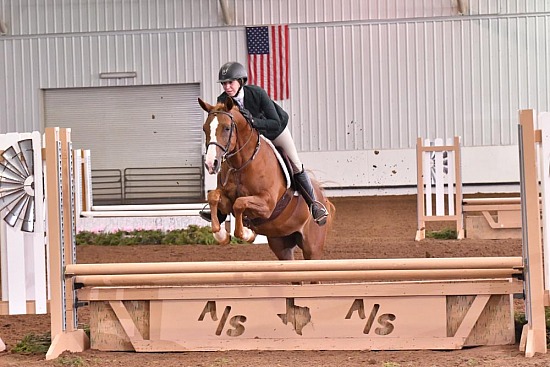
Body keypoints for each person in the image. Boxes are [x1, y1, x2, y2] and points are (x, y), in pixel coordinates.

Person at [200, 61, 328, 226]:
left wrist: (252, 121)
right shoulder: (223, 100)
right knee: (228, 159)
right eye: (224, 83)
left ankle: (314, 204)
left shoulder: (257, 94)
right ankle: (220, 210)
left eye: (230, 82)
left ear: (241, 81)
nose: (227, 87)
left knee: (295, 163)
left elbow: (274, 122)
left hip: (274, 130)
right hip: (248, 138)